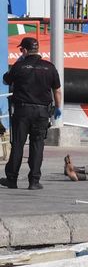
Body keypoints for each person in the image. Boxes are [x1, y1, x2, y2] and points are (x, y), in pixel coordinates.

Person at [2, 37, 61, 190]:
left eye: (21, 50)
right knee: (37, 145)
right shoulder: (50, 67)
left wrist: (18, 63)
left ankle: (12, 179)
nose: (21, 52)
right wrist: (58, 107)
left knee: (18, 145)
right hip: (42, 112)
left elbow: (6, 80)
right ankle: (34, 181)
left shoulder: (20, 66)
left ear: (25, 50)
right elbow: (57, 90)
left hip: (22, 111)